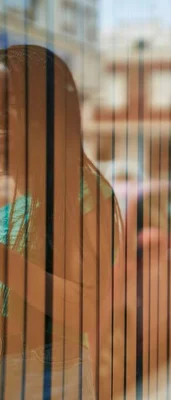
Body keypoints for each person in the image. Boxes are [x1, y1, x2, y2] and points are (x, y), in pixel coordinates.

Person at [0, 45, 123, 399]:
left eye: (7, 103)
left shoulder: (80, 190)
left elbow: (86, 310)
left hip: (45, 374)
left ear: (44, 113)